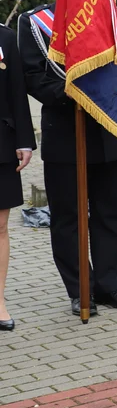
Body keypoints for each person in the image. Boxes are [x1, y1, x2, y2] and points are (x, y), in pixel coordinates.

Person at [19, 0, 117, 316]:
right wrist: (72, 94)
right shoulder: (34, 23)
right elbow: (32, 76)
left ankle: (110, 286)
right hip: (66, 135)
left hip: (112, 134)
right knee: (67, 218)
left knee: (110, 215)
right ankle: (81, 289)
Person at [0, 21, 36, 330]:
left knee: (0, 226)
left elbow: (17, 90)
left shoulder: (5, 37)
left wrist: (25, 140)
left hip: (1, 145)